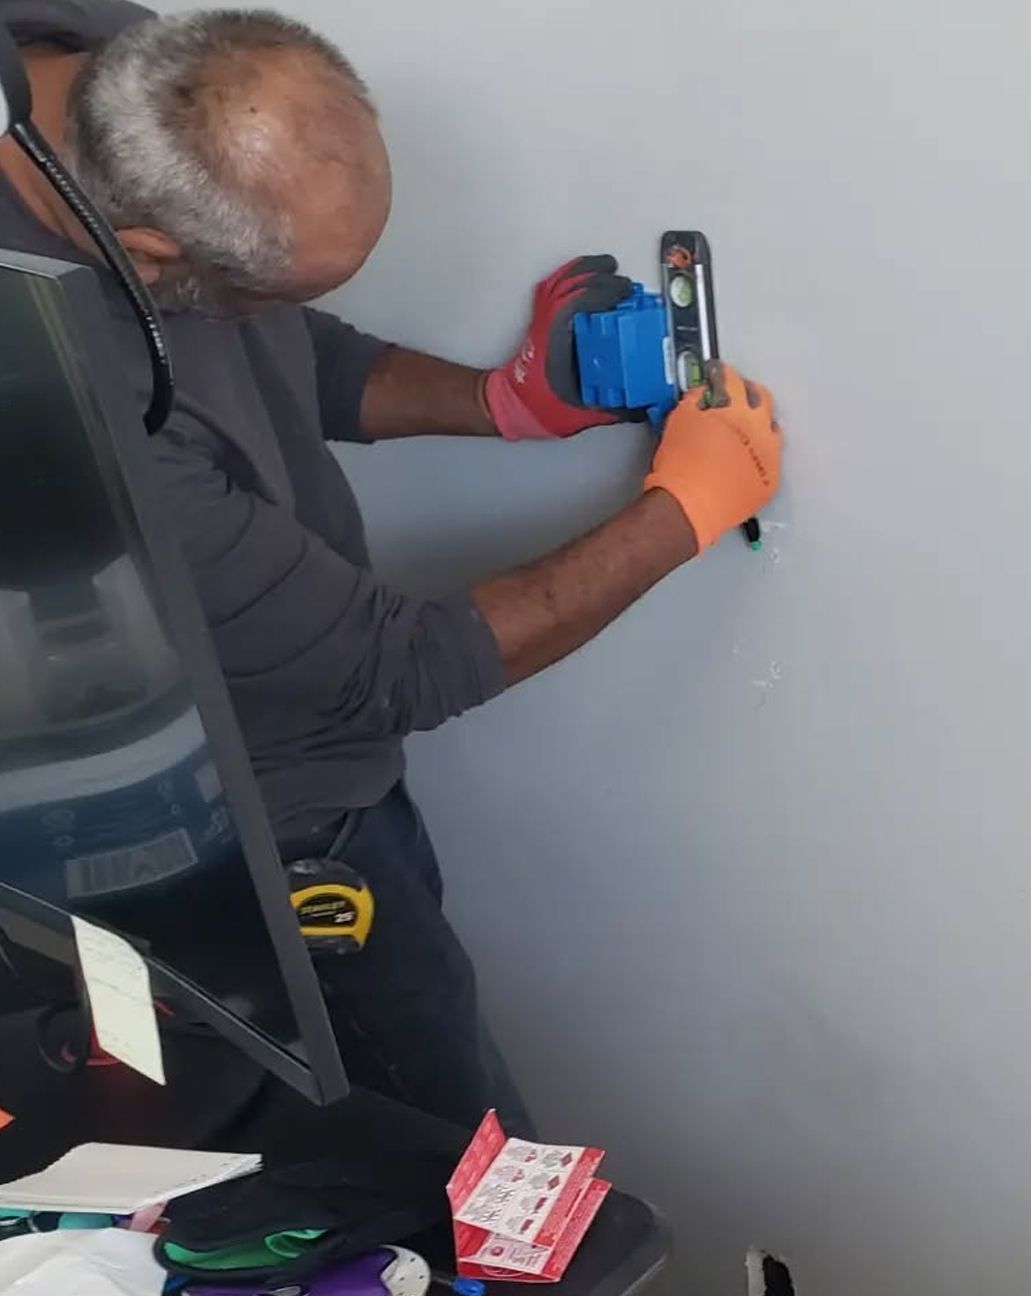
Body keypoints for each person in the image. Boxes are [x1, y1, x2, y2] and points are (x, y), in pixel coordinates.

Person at [0, 1, 783, 1132]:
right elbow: (400, 666)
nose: (286, 315)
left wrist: (498, 403)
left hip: (332, 780)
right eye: (271, 288)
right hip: (266, 837)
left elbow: (277, 345)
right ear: (153, 253)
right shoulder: (52, 390)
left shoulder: (112, 64)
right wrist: (685, 509)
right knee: (446, 1147)